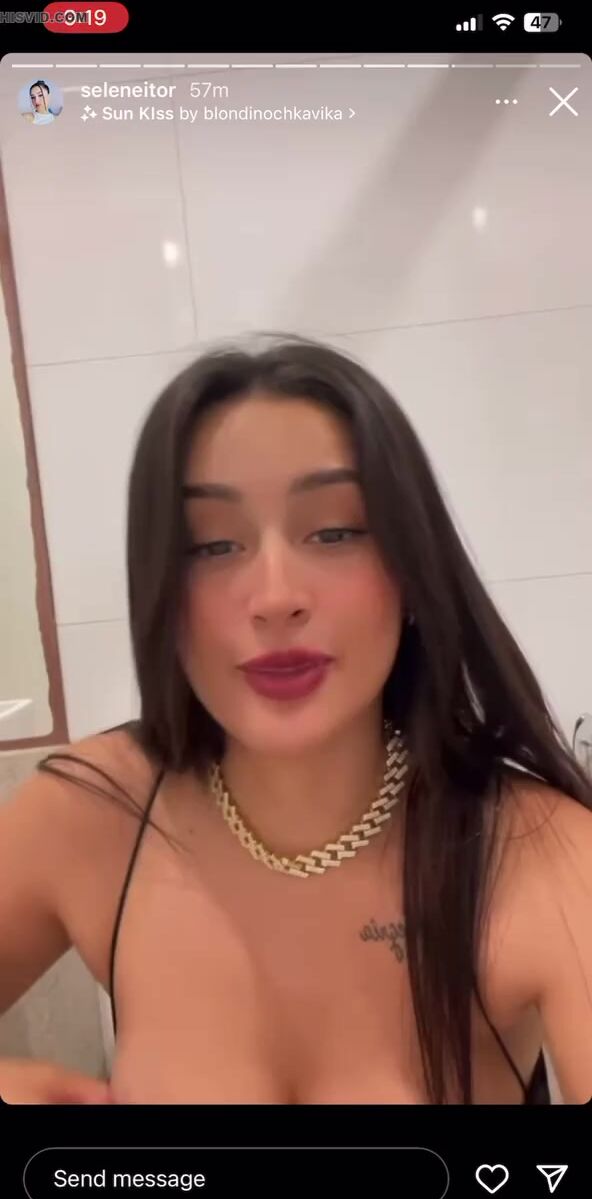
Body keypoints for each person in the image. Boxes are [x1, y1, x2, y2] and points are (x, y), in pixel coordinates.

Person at [1, 336, 591, 1105]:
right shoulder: (93, 813)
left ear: (413, 571)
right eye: (212, 544)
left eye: (335, 531)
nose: (276, 596)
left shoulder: (538, 853)